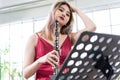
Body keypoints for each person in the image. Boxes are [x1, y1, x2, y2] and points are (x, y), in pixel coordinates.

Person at [23, 0, 96, 80]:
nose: (64, 14)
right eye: (61, 10)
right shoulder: (34, 38)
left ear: (67, 22)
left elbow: (92, 27)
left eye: (68, 14)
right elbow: (26, 74)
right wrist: (40, 60)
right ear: (53, 11)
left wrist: (76, 10)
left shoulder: (70, 37)